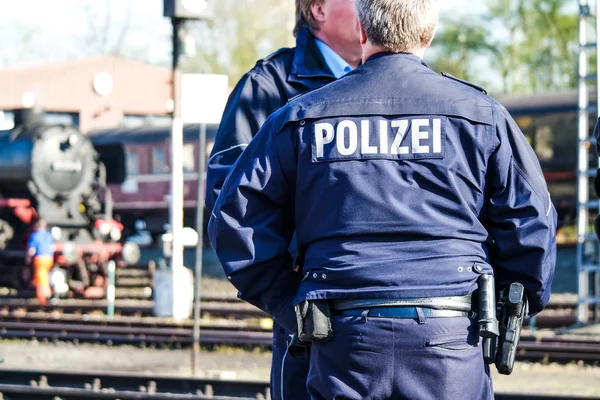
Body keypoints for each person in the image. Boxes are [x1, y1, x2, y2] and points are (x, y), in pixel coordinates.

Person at [209, 0, 557, 398]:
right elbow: (532, 224)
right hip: (452, 337)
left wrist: (292, 303)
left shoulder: (300, 116)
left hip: (340, 339)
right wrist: (505, 303)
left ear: (362, 31)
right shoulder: (480, 115)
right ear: (430, 32)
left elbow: (236, 222)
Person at [205, 1, 361, 398]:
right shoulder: (267, 88)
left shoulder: (407, 84)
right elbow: (232, 206)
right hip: (313, 321)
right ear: (318, 9)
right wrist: (291, 303)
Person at [26, 219, 55, 304]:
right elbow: (52, 247)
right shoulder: (48, 235)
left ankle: (45, 296)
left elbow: (32, 249)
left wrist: (27, 258)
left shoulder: (35, 235)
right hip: (49, 258)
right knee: (44, 275)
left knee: (41, 276)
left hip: (40, 258)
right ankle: (41, 295)